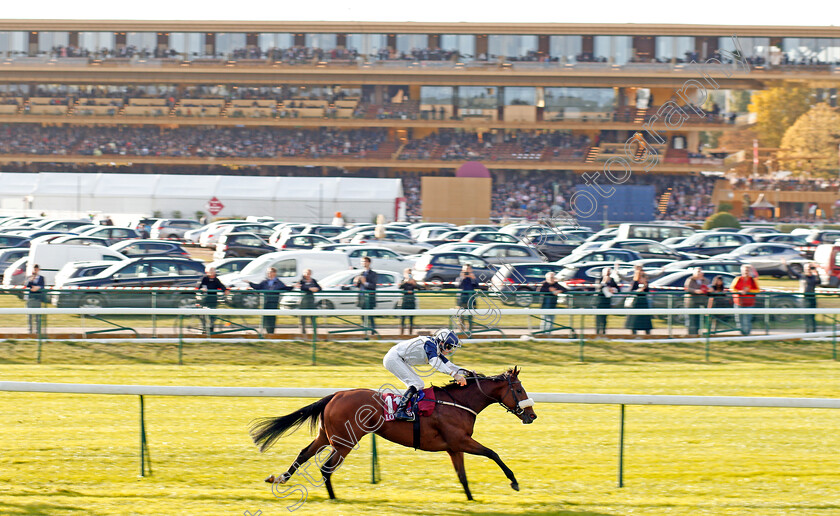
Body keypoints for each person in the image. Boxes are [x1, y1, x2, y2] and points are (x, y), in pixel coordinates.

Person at [383, 329, 468, 421]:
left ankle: (407, 408)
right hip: (394, 358)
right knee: (416, 384)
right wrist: (455, 375)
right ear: (442, 343)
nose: (450, 351)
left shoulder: (434, 347)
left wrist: (468, 373)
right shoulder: (429, 344)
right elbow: (434, 362)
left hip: (399, 359)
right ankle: (400, 411)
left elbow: (450, 366)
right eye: (449, 346)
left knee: (418, 384)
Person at [248, 267, 291, 334]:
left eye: (270, 272)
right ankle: (263, 332)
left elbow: (285, 288)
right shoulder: (265, 281)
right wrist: (250, 283)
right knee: (264, 317)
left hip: (273, 302)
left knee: (272, 317)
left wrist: (293, 286)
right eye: (268, 272)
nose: (269, 274)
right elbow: (258, 287)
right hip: (265, 301)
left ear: (274, 273)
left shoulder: (278, 282)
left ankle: (271, 332)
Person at [730, 264, 760, 336]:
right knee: (739, 319)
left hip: (749, 303)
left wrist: (749, 290)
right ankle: (741, 334)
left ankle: (747, 334)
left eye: (747, 270)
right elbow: (732, 289)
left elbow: (757, 290)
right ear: (741, 271)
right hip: (739, 303)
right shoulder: (738, 279)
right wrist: (740, 291)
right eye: (745, 270)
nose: (746, 272)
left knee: (747, 319)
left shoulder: (753, 280)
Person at [197, 266, 228, 334]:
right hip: (205, 299)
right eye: (210, 271)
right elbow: (200, 287)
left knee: (212, 316)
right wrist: (202, 290)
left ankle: (211, 330)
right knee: (203, 315)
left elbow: (221, 286)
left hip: (213, 299)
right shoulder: (204, 279)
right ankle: (204, 329)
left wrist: (225, 290)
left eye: (213, 271)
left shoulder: (216, 280)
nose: (212, 273)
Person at [624, 268, 652, 335]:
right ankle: (634, 330)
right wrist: (637, 291)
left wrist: (645, 286)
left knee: (645, 317)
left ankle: (647, 331)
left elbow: (647, 291)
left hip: (643, 301)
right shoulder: (635, 282)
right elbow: (631, 291)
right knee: (635, 317)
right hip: (636, 302)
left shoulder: (646, 282)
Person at [293, 269, 321, 335]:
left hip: (311, 301)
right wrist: (310, 289)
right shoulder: (301, 281)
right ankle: (303, 332)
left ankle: (314, 333)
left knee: (313, 317)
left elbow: (319, 287)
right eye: (305, 273)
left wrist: (317, 289)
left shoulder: (313, 281)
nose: (307, 275)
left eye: (308, 273)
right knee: (303, 317)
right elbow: (302, 287)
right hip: (303, 301)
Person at [354, 256, 377, 333]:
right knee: (362, 315)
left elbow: (373, 286)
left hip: (369, 297)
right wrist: (356, 282)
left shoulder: (373, 274)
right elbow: (358, 286)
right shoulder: (361, 273)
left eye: (365, 262)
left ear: (369, 263)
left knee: (370, 316)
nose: (363, 263)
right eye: (362, 262)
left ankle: (373, 331)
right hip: (362, 297)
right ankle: (365, 331)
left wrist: (365, 283)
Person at [684, 268, 708, 335]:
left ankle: (698, 333)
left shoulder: (705, 280)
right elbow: (687, 288)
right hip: (691, 302)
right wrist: (695, 291)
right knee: (691, 319)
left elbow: (708, 286)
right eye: (698, 272)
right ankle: (691, 334)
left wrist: (709, 289)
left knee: (698, 319)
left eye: (700, 272)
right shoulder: (690, 280)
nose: (699, 273)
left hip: (701, 302)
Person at [595, 267, 618, 334]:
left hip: (607, 302)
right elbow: (598, 288)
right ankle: (598, 331)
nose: (608, 273)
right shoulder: (599, 279)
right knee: (598, 318)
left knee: (605, 318)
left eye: (609, 272)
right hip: (599, 301)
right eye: (607, 272)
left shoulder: (612, 280)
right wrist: (604, 281)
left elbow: (617, 288)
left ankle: (604, 330)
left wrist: (612, 289)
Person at [25, 264, 45, 334]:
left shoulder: (41, 278)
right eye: (34, 269)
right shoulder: (29, 277)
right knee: (29, 316)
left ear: (38, 270)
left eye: (36, 269)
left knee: (37, 316)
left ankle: (37, 330)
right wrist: (31, 280)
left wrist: (38, 287)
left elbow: (43, 286)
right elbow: (26, 285)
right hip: (30, 298)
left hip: (37, 298)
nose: (35, 271)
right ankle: (30, 330)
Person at [799, 263, 820, 332]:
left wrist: (816, 273)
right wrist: (786, 265)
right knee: (806, 316)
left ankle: (814, 331)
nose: (808, 270)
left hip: (812, 298)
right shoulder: (803, 276)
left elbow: (818, 282)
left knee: (812, 316)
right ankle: (807, 331)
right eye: (807, 268)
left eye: (809, 268)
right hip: (805, 299)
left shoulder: (814, 277)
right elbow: (792, 273)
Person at [457, 264, 478, 332]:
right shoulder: (460, 278)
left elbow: (477, 286)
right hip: (462, 299)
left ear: (471, 270)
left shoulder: (472, 278)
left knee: (470, 316)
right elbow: (458, 285)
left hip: (471, 299)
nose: (467, 271)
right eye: (465, 269)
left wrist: (473, 278)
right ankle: (461, 331)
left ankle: (470, 331)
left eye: (468, 269)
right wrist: (463, 277)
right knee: (461, 316)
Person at [398, 268, 419, 334]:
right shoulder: (403, 281)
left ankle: (410, 334)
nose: (409, 274)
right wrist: (405, 281)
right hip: (405, 300)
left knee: (411, 319)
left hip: (411, 300)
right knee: (402, 319)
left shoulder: (413, 281)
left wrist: (414, 284)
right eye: (407, 273)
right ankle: (402, 334)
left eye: (410, 273)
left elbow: (420, 288)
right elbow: (400, 287)